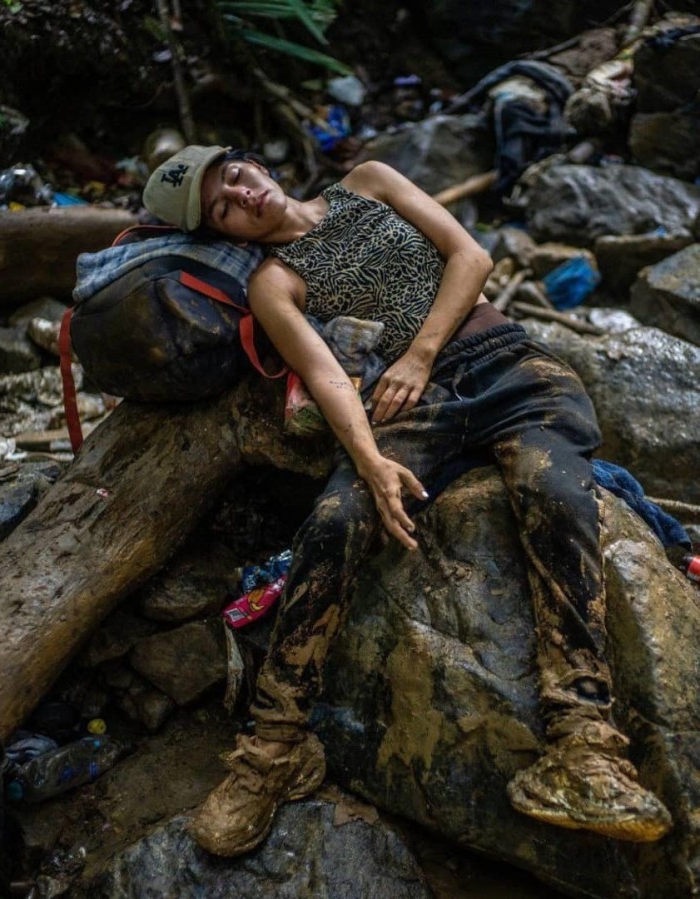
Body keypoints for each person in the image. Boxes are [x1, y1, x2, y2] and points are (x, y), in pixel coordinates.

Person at [142, 145, 673, 855]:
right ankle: (274, 748)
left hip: (508, 368)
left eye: (235, 175)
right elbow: (327, 375)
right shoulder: (274, 283)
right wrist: (370, 461)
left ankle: (584, 743)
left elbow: (471, 258)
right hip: (410, 415)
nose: (242, 195)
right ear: (223, 231)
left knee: (554, 492)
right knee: (334, 522)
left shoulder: (367, 182)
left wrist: (419, 353)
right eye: (222, 206)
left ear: (256, 164)